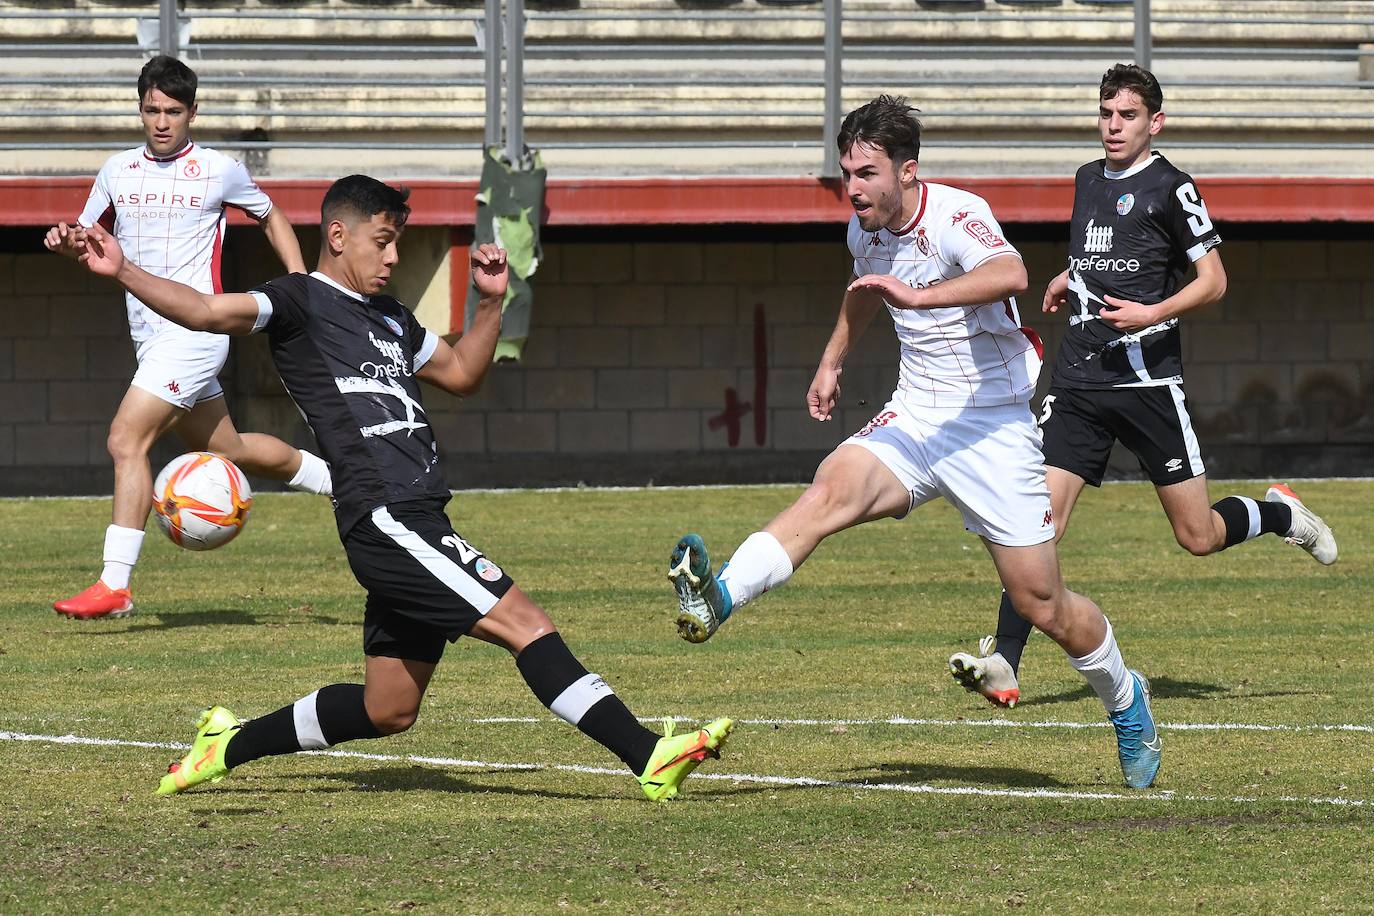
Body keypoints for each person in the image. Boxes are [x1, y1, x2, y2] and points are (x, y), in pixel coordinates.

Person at [57, 174, 732, 801]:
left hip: (413, 513)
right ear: (339, 236)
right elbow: (206, 311)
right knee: (526, 624)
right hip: (384, 513)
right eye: (382, 241)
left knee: (389, 709)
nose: (391, 257)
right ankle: (648, 756)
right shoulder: (300, 301)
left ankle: (227, 743)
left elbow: (465, 372)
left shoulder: (393, 318)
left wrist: (491, 303)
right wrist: (123, 270)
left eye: (398, 244)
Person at [668, 95, 1161, 788]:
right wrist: (833, 359)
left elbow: (1011, 273)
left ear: (908, 172)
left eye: (868, 172)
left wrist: (920, 296)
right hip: (916, 417)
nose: (855, 187)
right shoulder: (863, 228)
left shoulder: (956, 215)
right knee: (829, 491)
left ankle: (1125, 698)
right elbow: (865, 290)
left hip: (992, 425)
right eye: (848, 172)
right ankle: (718, 597)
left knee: (1040, 604)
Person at [947, 64, 1337, 710]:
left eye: (1126, 116)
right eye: (1105, 114)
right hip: (1078, 381)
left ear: (1155, 122)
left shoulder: (1172, 189)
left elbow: (1213, 280)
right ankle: (1004, 662)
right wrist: (1069, 277)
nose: (1112, 126)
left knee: (1198, 536)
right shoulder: (1085, 180)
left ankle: (1279, 514)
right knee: (1033, 521)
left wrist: (1151, 314)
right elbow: (1102, 252)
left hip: (1148, 382)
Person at [43, 55, 332, 621]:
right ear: (140, 109)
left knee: (126, 440)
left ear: (193, 112)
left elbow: (271, 215)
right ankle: (339, 479)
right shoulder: (117, 170)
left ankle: (115, 583)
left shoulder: (219, 170)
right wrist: (65, 243)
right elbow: (90, 241)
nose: (161, 121)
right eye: (152, 110)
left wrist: (302, 284)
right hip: (150, 340)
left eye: (173, 111)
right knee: (231, 449)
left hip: (196, 335)